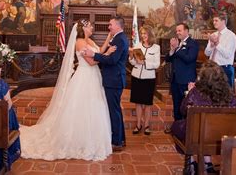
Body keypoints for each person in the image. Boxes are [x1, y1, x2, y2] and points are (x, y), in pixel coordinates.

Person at [20, 19, 115, 160]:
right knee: (81, 108)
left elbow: (99, 51)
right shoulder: (80, 42)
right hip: (85, 77)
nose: (92, 28)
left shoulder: (89, 41)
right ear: (83, 29)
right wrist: (108, 54)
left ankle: (89, 138)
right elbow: (91, 62)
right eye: (89, 26)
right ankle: (77, 140)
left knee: (94, 107)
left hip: (94, 77)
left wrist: (108, 38)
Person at [171, 61, 236, 173]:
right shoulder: (229, 95)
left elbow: (183, 110)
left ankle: (191, 160)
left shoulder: (196, 92)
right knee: (205, 127)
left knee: (181, 127)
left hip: (198, 136)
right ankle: (207, 161)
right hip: (221, 135)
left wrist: (189, 92)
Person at [84, 16, 129, 150]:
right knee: (116, 110)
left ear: (118, 26)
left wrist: (94, 55)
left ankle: (116, 142)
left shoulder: (120, 40)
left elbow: (113, 60)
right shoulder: (118, 38)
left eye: (110, 25)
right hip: (113, 79)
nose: (108, 27)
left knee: (114, 111)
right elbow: (110, 57)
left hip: (114, 80)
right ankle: (121, 138)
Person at [165, 23, 199, 125]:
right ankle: (176, 126)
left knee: (186, 105)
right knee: (176, 104)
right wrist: (172, 50)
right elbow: (168, 59)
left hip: (186, 80)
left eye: (179, 30)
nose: (177, 33)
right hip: (175, 80)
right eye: (177, 31)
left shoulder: (193, 44)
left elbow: (189, 59)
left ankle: (185, 128)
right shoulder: (178, 44)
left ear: (186, 31)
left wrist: (177, 49)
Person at [129, 25, 160, 136]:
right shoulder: (137, 45)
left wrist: (145, 63)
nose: (143, 36)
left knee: (147, 103)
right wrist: (131, 56)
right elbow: (132, 63)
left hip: (149, 78)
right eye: (142, 34)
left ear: (150, 35)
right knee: (137, 103)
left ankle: (146, 125)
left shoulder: (156, 48)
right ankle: (138, 124)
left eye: (145, 34)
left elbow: (157, 64)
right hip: (136, 76)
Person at [204, 14, 236, 87]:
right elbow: (207, 53)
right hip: (212, 68)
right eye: (213, 21)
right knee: (212, 93)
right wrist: (211, 46)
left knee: (225, 94)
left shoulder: (231, 36)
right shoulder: (213, 35)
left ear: (223, 21)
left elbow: (227, 54)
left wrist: (216, 44)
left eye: (216, 20)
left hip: (225, 69)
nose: (214, 22)